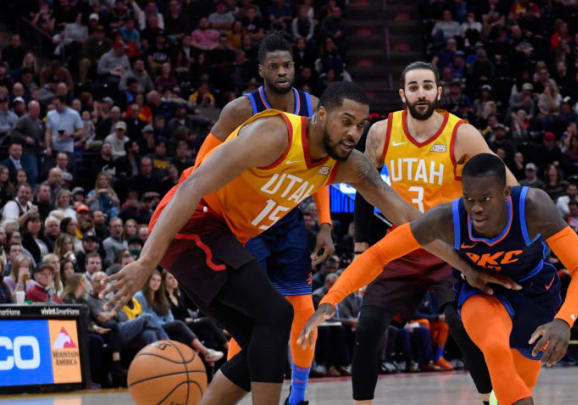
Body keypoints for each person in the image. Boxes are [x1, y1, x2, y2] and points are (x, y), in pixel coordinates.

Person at [101, 83, 512, 405]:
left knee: (261, 343)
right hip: (191, 223)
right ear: (319, 117)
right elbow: (191, 186)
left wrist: (466, 266)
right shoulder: (273, 133)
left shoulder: (348, 164)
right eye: (345, 121)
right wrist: (144, 263)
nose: (353, 132)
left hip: (222, 236)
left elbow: (408, 219)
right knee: (277, 317)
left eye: (360, 125)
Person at [301, 154, 578, 405]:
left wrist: (564, 320)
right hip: (482, 293)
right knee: (494, 348)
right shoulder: (447, 218)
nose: (476, 208)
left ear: (506, 194)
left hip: (534, 293)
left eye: (485, 199)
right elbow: (380, 255)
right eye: (469, 199)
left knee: (517, 384)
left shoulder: (534, 207)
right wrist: (331, 299)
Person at [350, 61, 520, 405]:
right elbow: (365, 187)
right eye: (413, 87)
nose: (421, 93)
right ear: (403, 95)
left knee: (460, 321)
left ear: (439, 91)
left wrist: (511, 235)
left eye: (428, 86)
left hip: (451, 245)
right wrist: (359, 245)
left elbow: (509, 185)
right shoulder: (382, 132)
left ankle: (489, 398)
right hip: (403, 241)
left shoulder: (463, 134)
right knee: (368, 325)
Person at [195, 33, 332, 405]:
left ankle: (298, 396)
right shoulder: (240, 110)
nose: (282, 71)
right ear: (261, 70)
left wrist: (325, 222)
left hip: (287, 217)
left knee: (303, 307)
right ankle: (240, 390)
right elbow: (201, 163)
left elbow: (321, 168)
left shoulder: (312, 106)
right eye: (273, 66)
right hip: (244, 221)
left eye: (286, 64)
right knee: (252, 313)